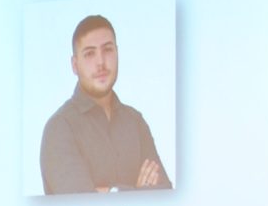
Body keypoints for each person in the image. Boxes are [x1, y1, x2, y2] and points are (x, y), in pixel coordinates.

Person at [40, 14, 171, 194]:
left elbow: (165, 195)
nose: (101, 62)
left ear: (117, 53)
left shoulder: (135, 122)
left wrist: (108, 192)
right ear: (75, 65)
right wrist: (138, 192)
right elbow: (82, 205)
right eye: (89, 54)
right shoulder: (60, 128)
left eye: (108, 50)